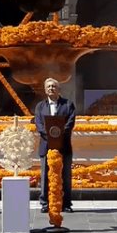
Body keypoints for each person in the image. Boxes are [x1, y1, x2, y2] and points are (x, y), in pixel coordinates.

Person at [34, 77, 76, 213]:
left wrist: (59, 135)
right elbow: (38, 124)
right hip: (46, 145)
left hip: (64, 145)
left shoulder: (68, 105)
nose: (51, 88)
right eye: (49, 87)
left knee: (65, 175)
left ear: (59, 89)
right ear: (45, 90)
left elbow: (70, 122)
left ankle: (66, 203)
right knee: (45, 175)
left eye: (54, 86)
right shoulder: (40, 106)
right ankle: (45, 203)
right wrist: (49, 136)